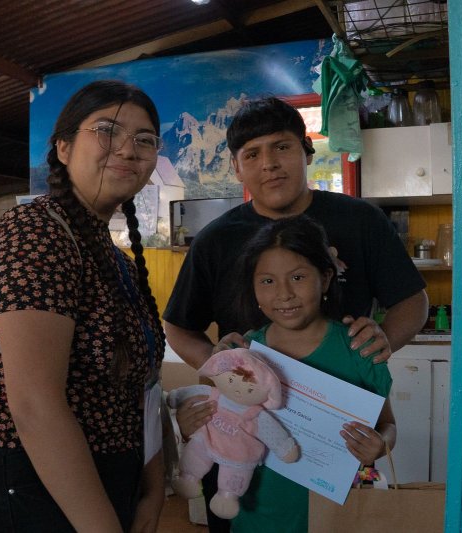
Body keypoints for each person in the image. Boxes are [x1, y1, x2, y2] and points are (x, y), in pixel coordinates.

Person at [162, 96, 427, 531]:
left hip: (333, 446)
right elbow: (178, 326)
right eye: (252, 154)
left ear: (306, 152)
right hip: (246, 452)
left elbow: (413, 301)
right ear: (237, 168)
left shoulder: (360, 220)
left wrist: (380, 345)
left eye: (281, 147)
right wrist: (223, 367)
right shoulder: (215, 240)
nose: (269, 163)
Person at [0, 80, 166, 533]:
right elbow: (35, 405)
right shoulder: (35, 232)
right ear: (64, 147)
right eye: (107, 130)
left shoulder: (115, 260)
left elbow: (143, 389)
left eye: (144, 139)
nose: (128, 149)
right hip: (37, 487)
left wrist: (152, 490)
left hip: (106, 481)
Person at [230, 214, 396, 531]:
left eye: (298, 277)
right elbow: (224, 422)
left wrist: (380, 445)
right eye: (267, 281)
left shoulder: (359, 348)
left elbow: (388, 424)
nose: (284, 294)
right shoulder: (245, 352)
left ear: (326, 278)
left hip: (338, 516)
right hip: (259, 514)